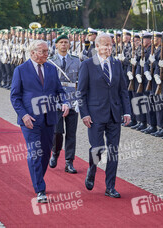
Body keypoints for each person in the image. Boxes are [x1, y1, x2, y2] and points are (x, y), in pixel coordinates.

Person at [10, 40, 69, 203]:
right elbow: (14, 96)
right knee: (35, 152)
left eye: (47, 51)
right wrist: (23, 115)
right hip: (30, 119)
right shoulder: (20, 70)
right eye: (42, 51)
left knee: (46, 153)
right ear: (32, 52)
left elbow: (60, 90)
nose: (46, 54)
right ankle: (40, 189)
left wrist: (65, 102)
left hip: (49, 118)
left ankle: (38, 179)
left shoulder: (51, 69)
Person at [78, 33, 131, 198]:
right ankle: (92, 169)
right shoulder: (87, 65)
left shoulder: (116, 64)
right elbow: (81, 93)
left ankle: (110, 187)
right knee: (97, 148)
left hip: (114, 114)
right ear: (97, 47)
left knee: (113, 151)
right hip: (94, 115)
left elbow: (123, 90)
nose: (109, 48)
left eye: (111, 45)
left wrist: (127, 111)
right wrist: (84, 114)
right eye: (105, 45)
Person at [49, 34, 81, 174]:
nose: (63, 45)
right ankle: (55, 153)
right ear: (56, 45)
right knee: (57, 132)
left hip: (72, 99)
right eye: (61, 42)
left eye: (66, 42)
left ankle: (69, 162)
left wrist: (79, 99)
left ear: (69, 45)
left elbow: (80, 81)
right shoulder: (50, 62)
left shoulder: (76, 61)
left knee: (71, 133)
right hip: (57, 101)